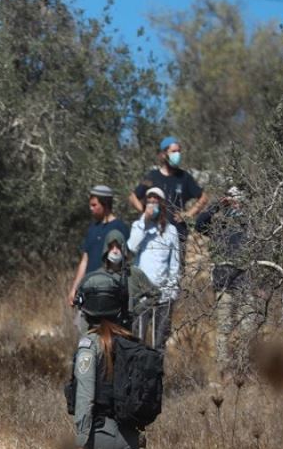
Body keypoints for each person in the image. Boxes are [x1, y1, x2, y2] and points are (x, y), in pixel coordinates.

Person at [40, 270, 141, 449]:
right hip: (130, 443)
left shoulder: (90, 345)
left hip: (99, 440)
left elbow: (85, 399)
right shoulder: (131, 342)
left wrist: (82, 447)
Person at [194, 186, 257, 370]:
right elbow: (199, 225)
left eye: (237, 198)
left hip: (245, 280)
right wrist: (217, 205)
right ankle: (223, 369)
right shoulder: (218, 225)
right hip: (223, 282)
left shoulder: (249, 224)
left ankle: (243, 366)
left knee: (248, 326)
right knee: (223, 327)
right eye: (231, 197)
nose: (234, 201)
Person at [129, 136, 209, 266]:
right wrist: (145, 212)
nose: (177, 154)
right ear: (163, 154)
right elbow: (133, 197)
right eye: (173, 151)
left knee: (176, 271)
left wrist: (188, 214)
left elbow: (203, 197)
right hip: (153, 235)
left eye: (179, 151)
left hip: (178, 234)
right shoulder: (152, 176)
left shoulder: (184, 177)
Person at [66, 185, 130, 333]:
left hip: (109, 293)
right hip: (89, 291)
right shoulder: (92, 229)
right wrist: (75, 288)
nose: (91, 208)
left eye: (94, 205)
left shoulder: (119, 228)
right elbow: (85, 260)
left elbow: (125, 259)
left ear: (105, 204)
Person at [128, 186, 182, 352]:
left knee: (159, 344)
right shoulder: (139, 226)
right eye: (149, 202)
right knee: (137, 339)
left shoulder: (171, 231)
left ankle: (156, 375)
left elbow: (175, 264)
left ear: (162, 205)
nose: (152, 205)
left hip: (163, 296)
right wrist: (144, 220)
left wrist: (172, 293)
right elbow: (131, 247)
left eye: (155, 202)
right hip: (142, 295)